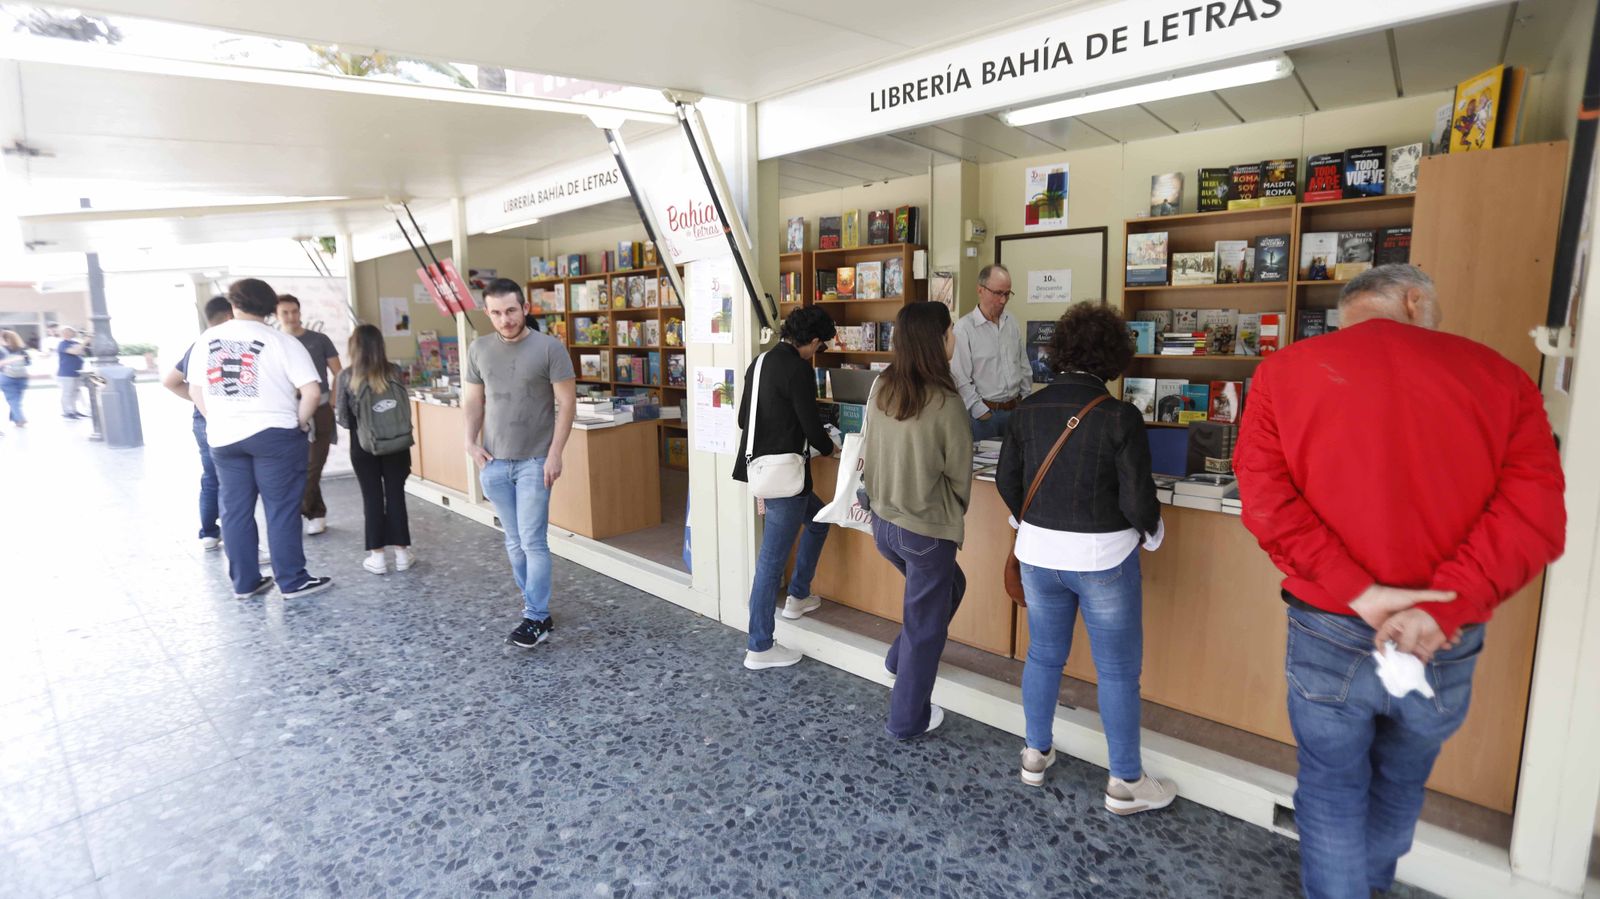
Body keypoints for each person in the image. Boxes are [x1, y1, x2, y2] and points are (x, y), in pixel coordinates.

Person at [1233, 265, 1565, 899]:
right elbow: (1536, 516)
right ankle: (1371, 886)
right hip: (1442, 634)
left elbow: (1267, 502)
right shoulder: (1503, 379)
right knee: (1401, 781)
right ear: (1415, 301)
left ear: (1350, 309)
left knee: (1330, 783)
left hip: (1327, 622)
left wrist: (1358, 591)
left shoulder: (1283, 373)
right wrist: (1446, 608)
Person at [996, 302, 1177, 814]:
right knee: (1117, 673)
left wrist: (1032, 522)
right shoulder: (1120, 416)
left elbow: (1008, 481)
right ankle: (1124, 782)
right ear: (1114, 356)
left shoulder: (1026, 410)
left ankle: (1035, 753)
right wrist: (1153, 534)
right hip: (1103, 560)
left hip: (1037, 555)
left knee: (1043, 655)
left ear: (1062, 351)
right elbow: (1137, 501)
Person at [861, 301, 973, 739]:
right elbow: (960, 478)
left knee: (951, 588)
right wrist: (948, 511)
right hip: (926, 532)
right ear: (937, 339)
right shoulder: (946, 402)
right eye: (950, 331)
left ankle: (898, 660)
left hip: (884, 525)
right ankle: (907, 721)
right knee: (926, 626)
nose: (955, 338)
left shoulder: (884, 387)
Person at [186, 279, 333, 600]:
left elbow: (196, 390)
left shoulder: (207, 340)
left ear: (233, 304)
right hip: (275, 435)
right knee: (280, 509)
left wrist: (217, 418)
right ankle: (292, 580)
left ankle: (245, 583)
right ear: (269, 308)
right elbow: (312, 391)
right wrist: (299, 420)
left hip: (224, 438)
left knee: (235, 510)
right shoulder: (282, 341)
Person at [464, 278, 577, 648]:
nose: (505, 319)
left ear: (525, 308)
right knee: (514, 542)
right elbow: (474, 402)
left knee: (532, 540)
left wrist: (556, 452)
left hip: (535, 461)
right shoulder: (479, 349)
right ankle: (537, 611)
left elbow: (566, 405)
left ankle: (534, 616)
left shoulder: (549, 348)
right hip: (494, 463)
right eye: (496, 312)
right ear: (487, 313)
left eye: (511, 310)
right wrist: (470, 441)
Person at [731, 307, 838, 670]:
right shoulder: (798, 370)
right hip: (785, 480)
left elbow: (745, 419)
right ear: (811, 341)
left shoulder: (759, 363)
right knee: (770, 563)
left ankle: (798, 596)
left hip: (768, 473)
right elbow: (811, 426)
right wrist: (830, 448)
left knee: (821, 519)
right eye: (819, 347)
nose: (816, 353)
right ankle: (759, 646)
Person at [336, 324, 416, 575]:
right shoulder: (394, 371)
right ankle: (403, 554)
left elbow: (344, 418)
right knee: (395, 496)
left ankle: (378, 558)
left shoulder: (347, 376)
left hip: (363, 447)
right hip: (397, 443)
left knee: (371, 497)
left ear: (354, 347)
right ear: (380, 346)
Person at [164, 296, 235, 551]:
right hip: (228, 419)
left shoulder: (197, 346)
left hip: (202, 419)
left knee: (211, 477)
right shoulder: (232, 344)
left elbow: (170, 381)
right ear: (230, 316)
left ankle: (208, 533)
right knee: (234, 480)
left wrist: (198, 402)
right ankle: (236, 536)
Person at [275, 294, 342, 537]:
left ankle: (296, 511)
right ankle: (316, 512)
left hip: (320, 408)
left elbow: (339, 373)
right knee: (296, 466)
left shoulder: (319, 340)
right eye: (285, 312)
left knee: (314, 465)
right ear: (276, 315)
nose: (291, 317)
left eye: (294, 311)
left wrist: (334, 400)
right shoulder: (275, 341)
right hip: (287, 411)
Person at [950, 264, 1031, 440]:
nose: (1003, 300)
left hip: (1015, 412)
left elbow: (1023, 365)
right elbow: (960, 378)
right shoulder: (964, 329)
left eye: (1007, 294)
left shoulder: (1011, 323)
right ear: (980, 290)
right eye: (998, 293)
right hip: (985, 418)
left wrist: (1025, 399)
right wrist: (981, 412)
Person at [56, 326, 87, 419]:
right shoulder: (62, 344)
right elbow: (75, 352)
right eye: (71, 331)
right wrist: (85, 341)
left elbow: (82, 352)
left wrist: (82, 343)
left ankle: (74, 410)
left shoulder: (75, 342)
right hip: (66, 373)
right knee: (67, 393)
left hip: (77, 372)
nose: (74, 332)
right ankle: (67, 412)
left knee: (75, 392)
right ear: (65, 333)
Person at [0, 331, 29, 427]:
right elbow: (28, 363)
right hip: (22, 377)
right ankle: (17, 419)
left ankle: (19, 418)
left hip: (6, 377)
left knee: (13, 400)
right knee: (16, 400)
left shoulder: (1, 350)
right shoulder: (22, 349)